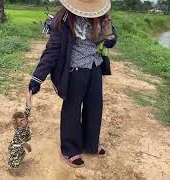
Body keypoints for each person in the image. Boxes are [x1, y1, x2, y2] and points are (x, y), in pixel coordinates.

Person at [28, 0, 117, 168]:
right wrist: (37, 78)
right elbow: (52, 50)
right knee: (72, 109)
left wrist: (108, 32)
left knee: (95, 107)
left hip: (95, 67)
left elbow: (111, 43)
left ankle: (91, 144)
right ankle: (70, 149)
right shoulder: (63, 20)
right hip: (74, 71)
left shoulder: (100, 15)